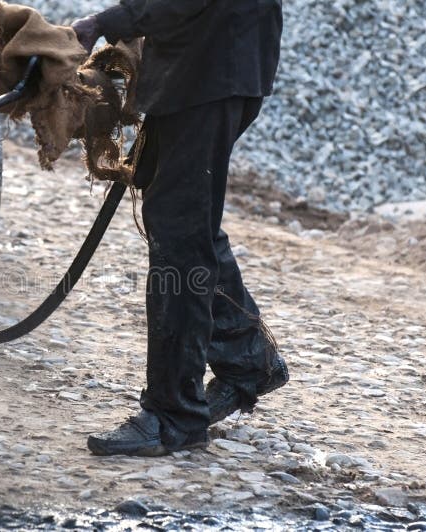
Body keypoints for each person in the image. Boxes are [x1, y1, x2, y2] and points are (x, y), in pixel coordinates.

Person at [71, 0, 290, 457]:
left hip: (210, 72)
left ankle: (174, 418)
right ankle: (248, 358)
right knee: (187, 224)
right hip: (205, 68)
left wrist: (107, 23)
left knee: (181, 236)